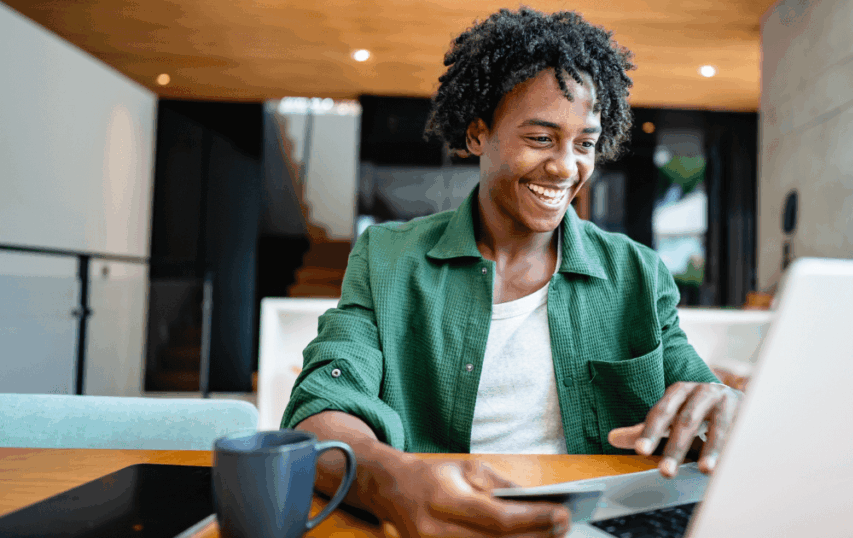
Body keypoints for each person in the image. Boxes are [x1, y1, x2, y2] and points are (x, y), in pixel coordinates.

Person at [282, 7, 742, 537]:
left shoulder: (636, 272)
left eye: (585, 143)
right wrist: (393, 480)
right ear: (478, 135)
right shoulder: (388, 257)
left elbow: (699, 394)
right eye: (541, 138)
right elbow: (320, 408)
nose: (567, 166)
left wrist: (726, 404)